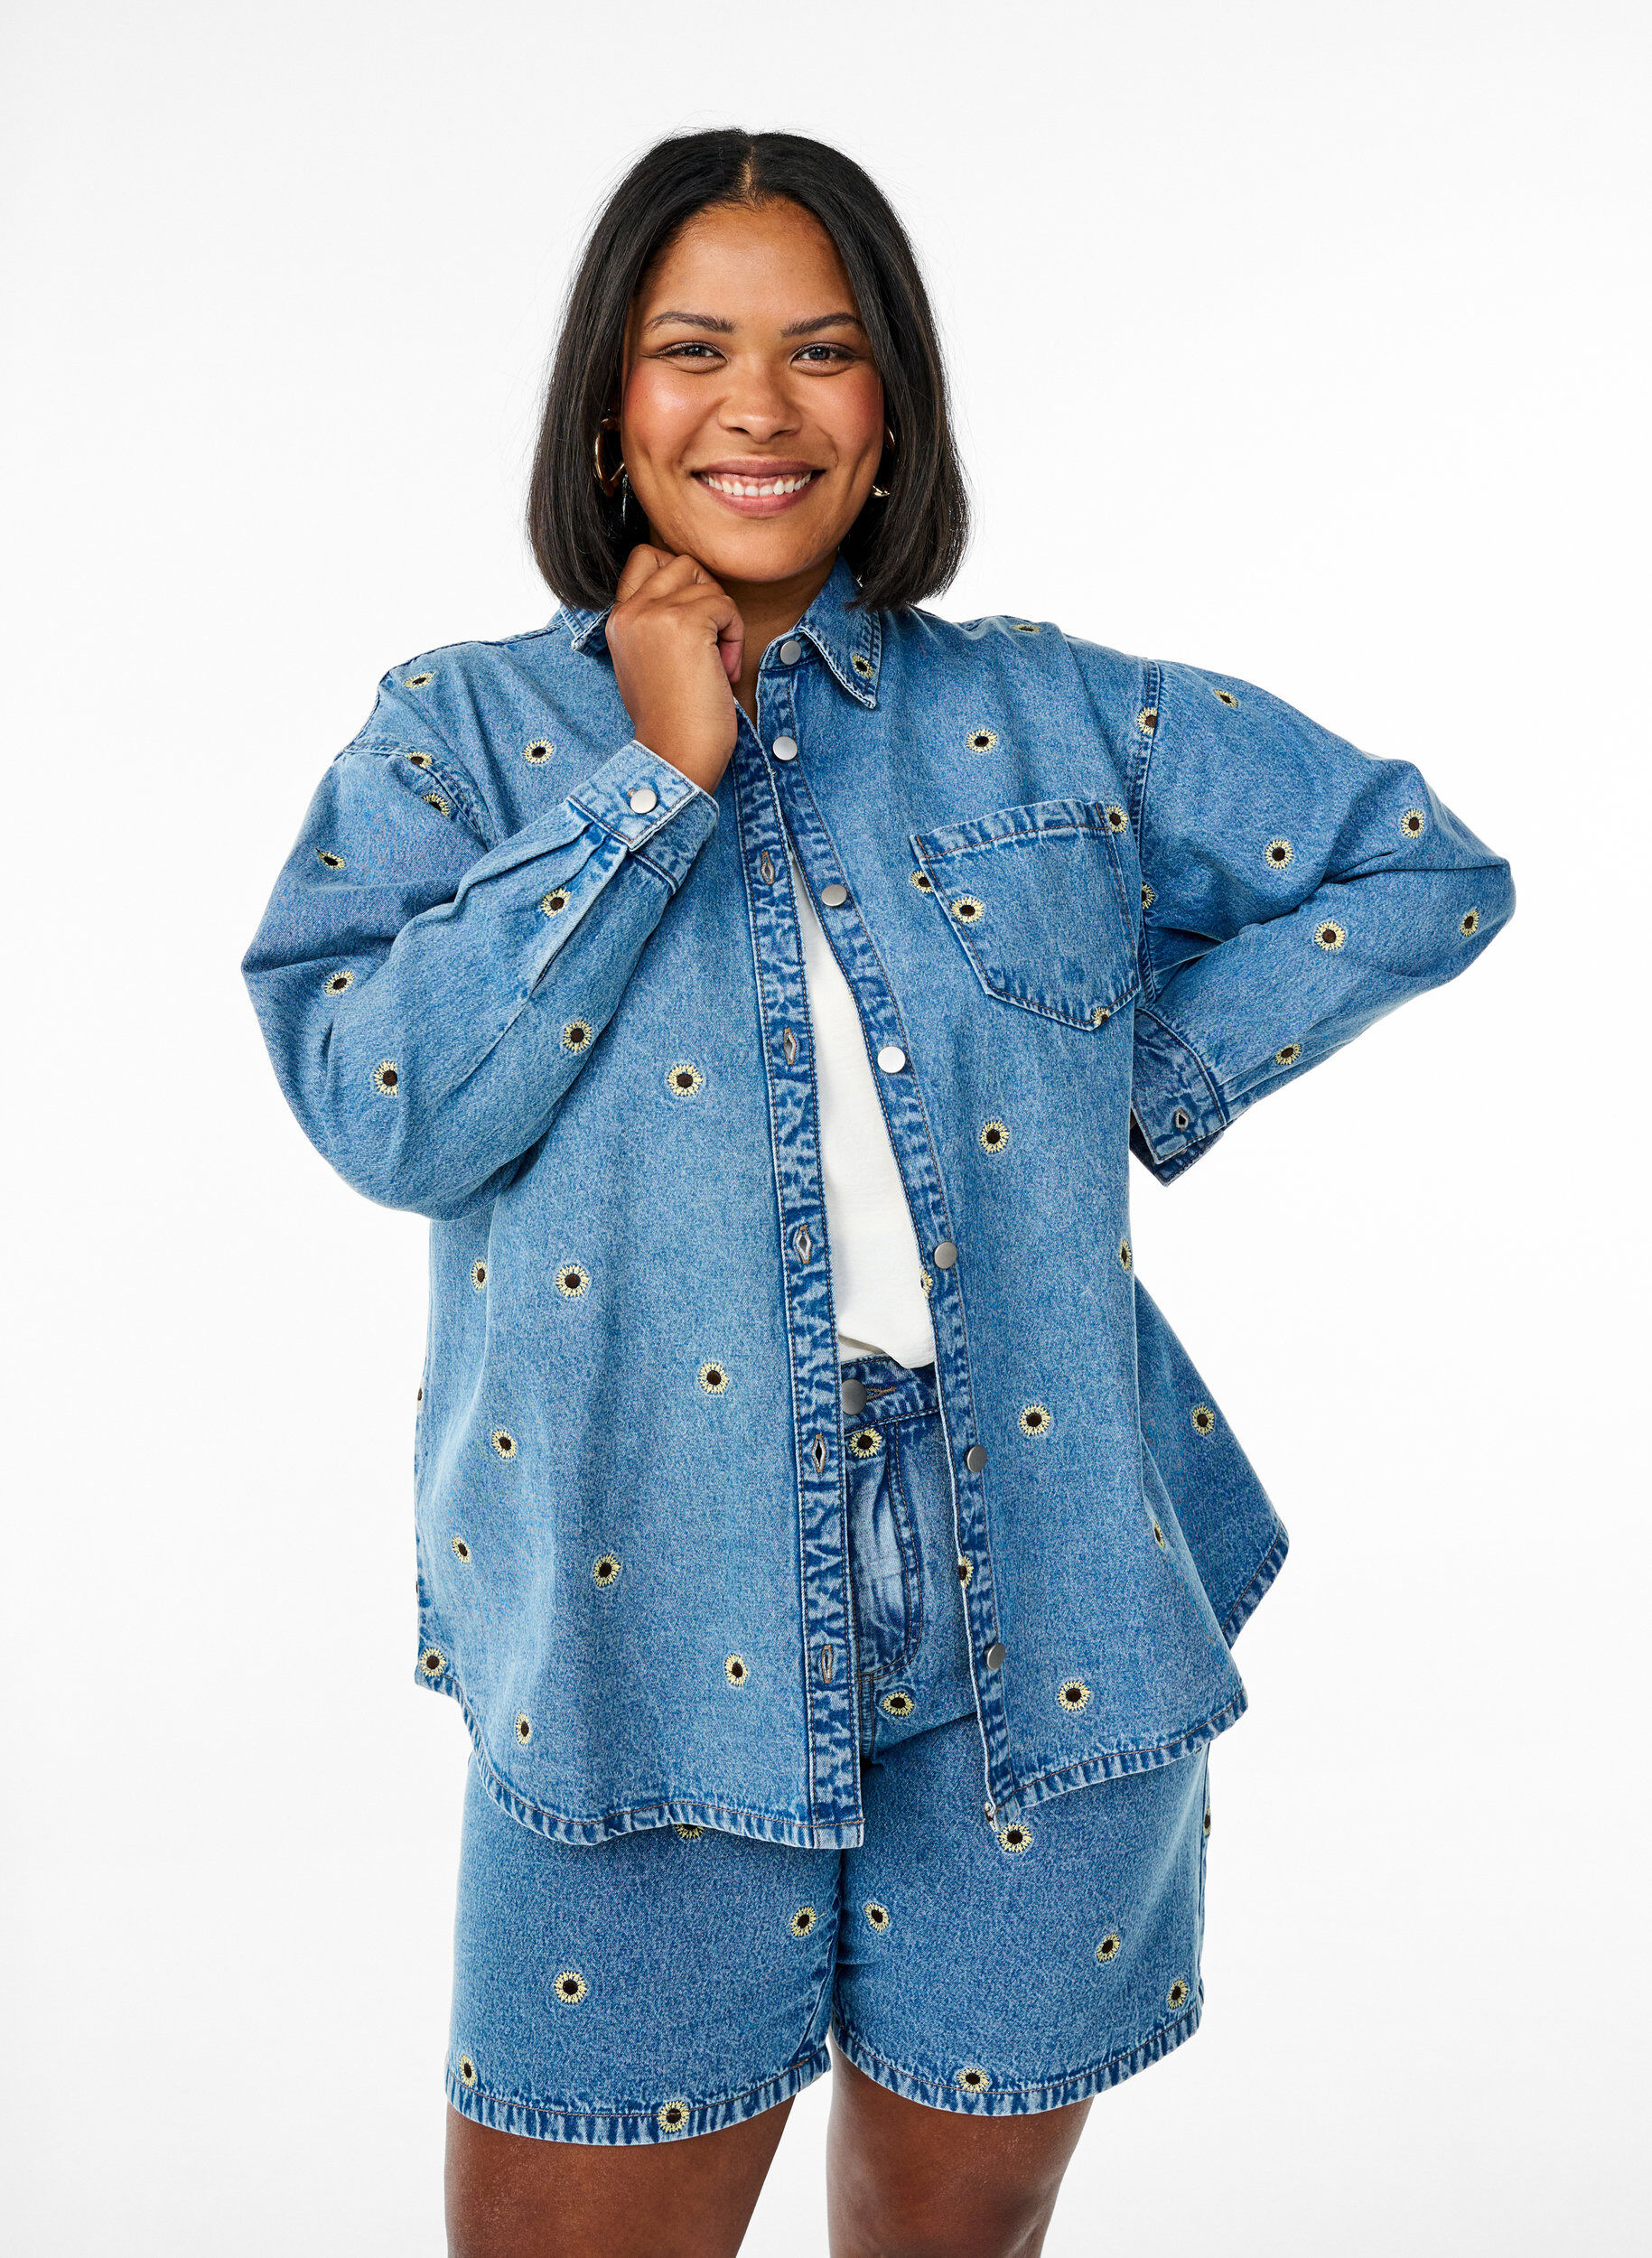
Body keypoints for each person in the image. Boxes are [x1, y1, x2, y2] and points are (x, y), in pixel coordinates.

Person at [242, 127, 1515, 2258]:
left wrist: (1148, 1072)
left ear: (893, 405)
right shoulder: (459, 735)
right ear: (606, 403)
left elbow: (1416, 866)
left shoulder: (1051, 710)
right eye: (693, 349)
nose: (759, 405)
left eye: (823, 350)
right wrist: (653, 777)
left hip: (1047, 1585)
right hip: (647, 1600)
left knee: (955, 2235)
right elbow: (384, 1104)